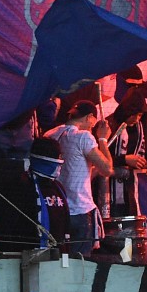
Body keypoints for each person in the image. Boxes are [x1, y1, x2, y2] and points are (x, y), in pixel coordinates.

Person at [45, 101, 114, 257]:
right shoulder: (83, 136)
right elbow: (108, 169)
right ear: (90, 117)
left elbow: (74, 170)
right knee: (81, 262)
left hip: (57, 208)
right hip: (80, 210)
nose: (93, 128)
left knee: (57, 258)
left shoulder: (50, 134)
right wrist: (102, 139)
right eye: (93, 124)